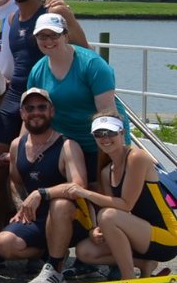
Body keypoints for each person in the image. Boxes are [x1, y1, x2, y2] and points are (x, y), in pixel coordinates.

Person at [0, 88, 93, 283]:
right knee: (4, 244)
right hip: (37, 219)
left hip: (70, 218)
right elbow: (15, 181)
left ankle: (55, 269)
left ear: (52, 111)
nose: (36, 112)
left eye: (42, 107)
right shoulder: (16, 145)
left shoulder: (67, 145)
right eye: (30, 108)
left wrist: (42, 193)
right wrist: (21, 205)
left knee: (60, 205)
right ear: (22, 114)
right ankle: (54, 252)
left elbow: (79, 185)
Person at [71, 114, 177, 283]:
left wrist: (85, 193)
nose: (105, 138)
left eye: (110, 132)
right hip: (141, 234)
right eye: (99, 134)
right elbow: (111, 207)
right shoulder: (106, 171)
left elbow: (125, 205)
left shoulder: (137, 157)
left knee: (108, 216)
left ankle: (129, 282)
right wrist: (96, 230)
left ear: (122, 133)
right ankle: (143, 264)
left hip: (168, 237)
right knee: (84, 251)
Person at [0, 0, 88, 150]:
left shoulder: (54, 12)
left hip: (45, 94)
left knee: (33, 155)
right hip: (15, 94)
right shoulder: (13, 18)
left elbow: (85, 53)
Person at [26, 12, 125, 176]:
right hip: (64, 146)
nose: (48, 41)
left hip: (99, 142)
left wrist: (117, 154)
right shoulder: (37, 71)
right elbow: (29, 112)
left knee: (99, 190)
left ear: (66, 35)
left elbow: (108, 112)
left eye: (54, 35)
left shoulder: (93, 65)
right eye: (42, 36)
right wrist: (23, 148)